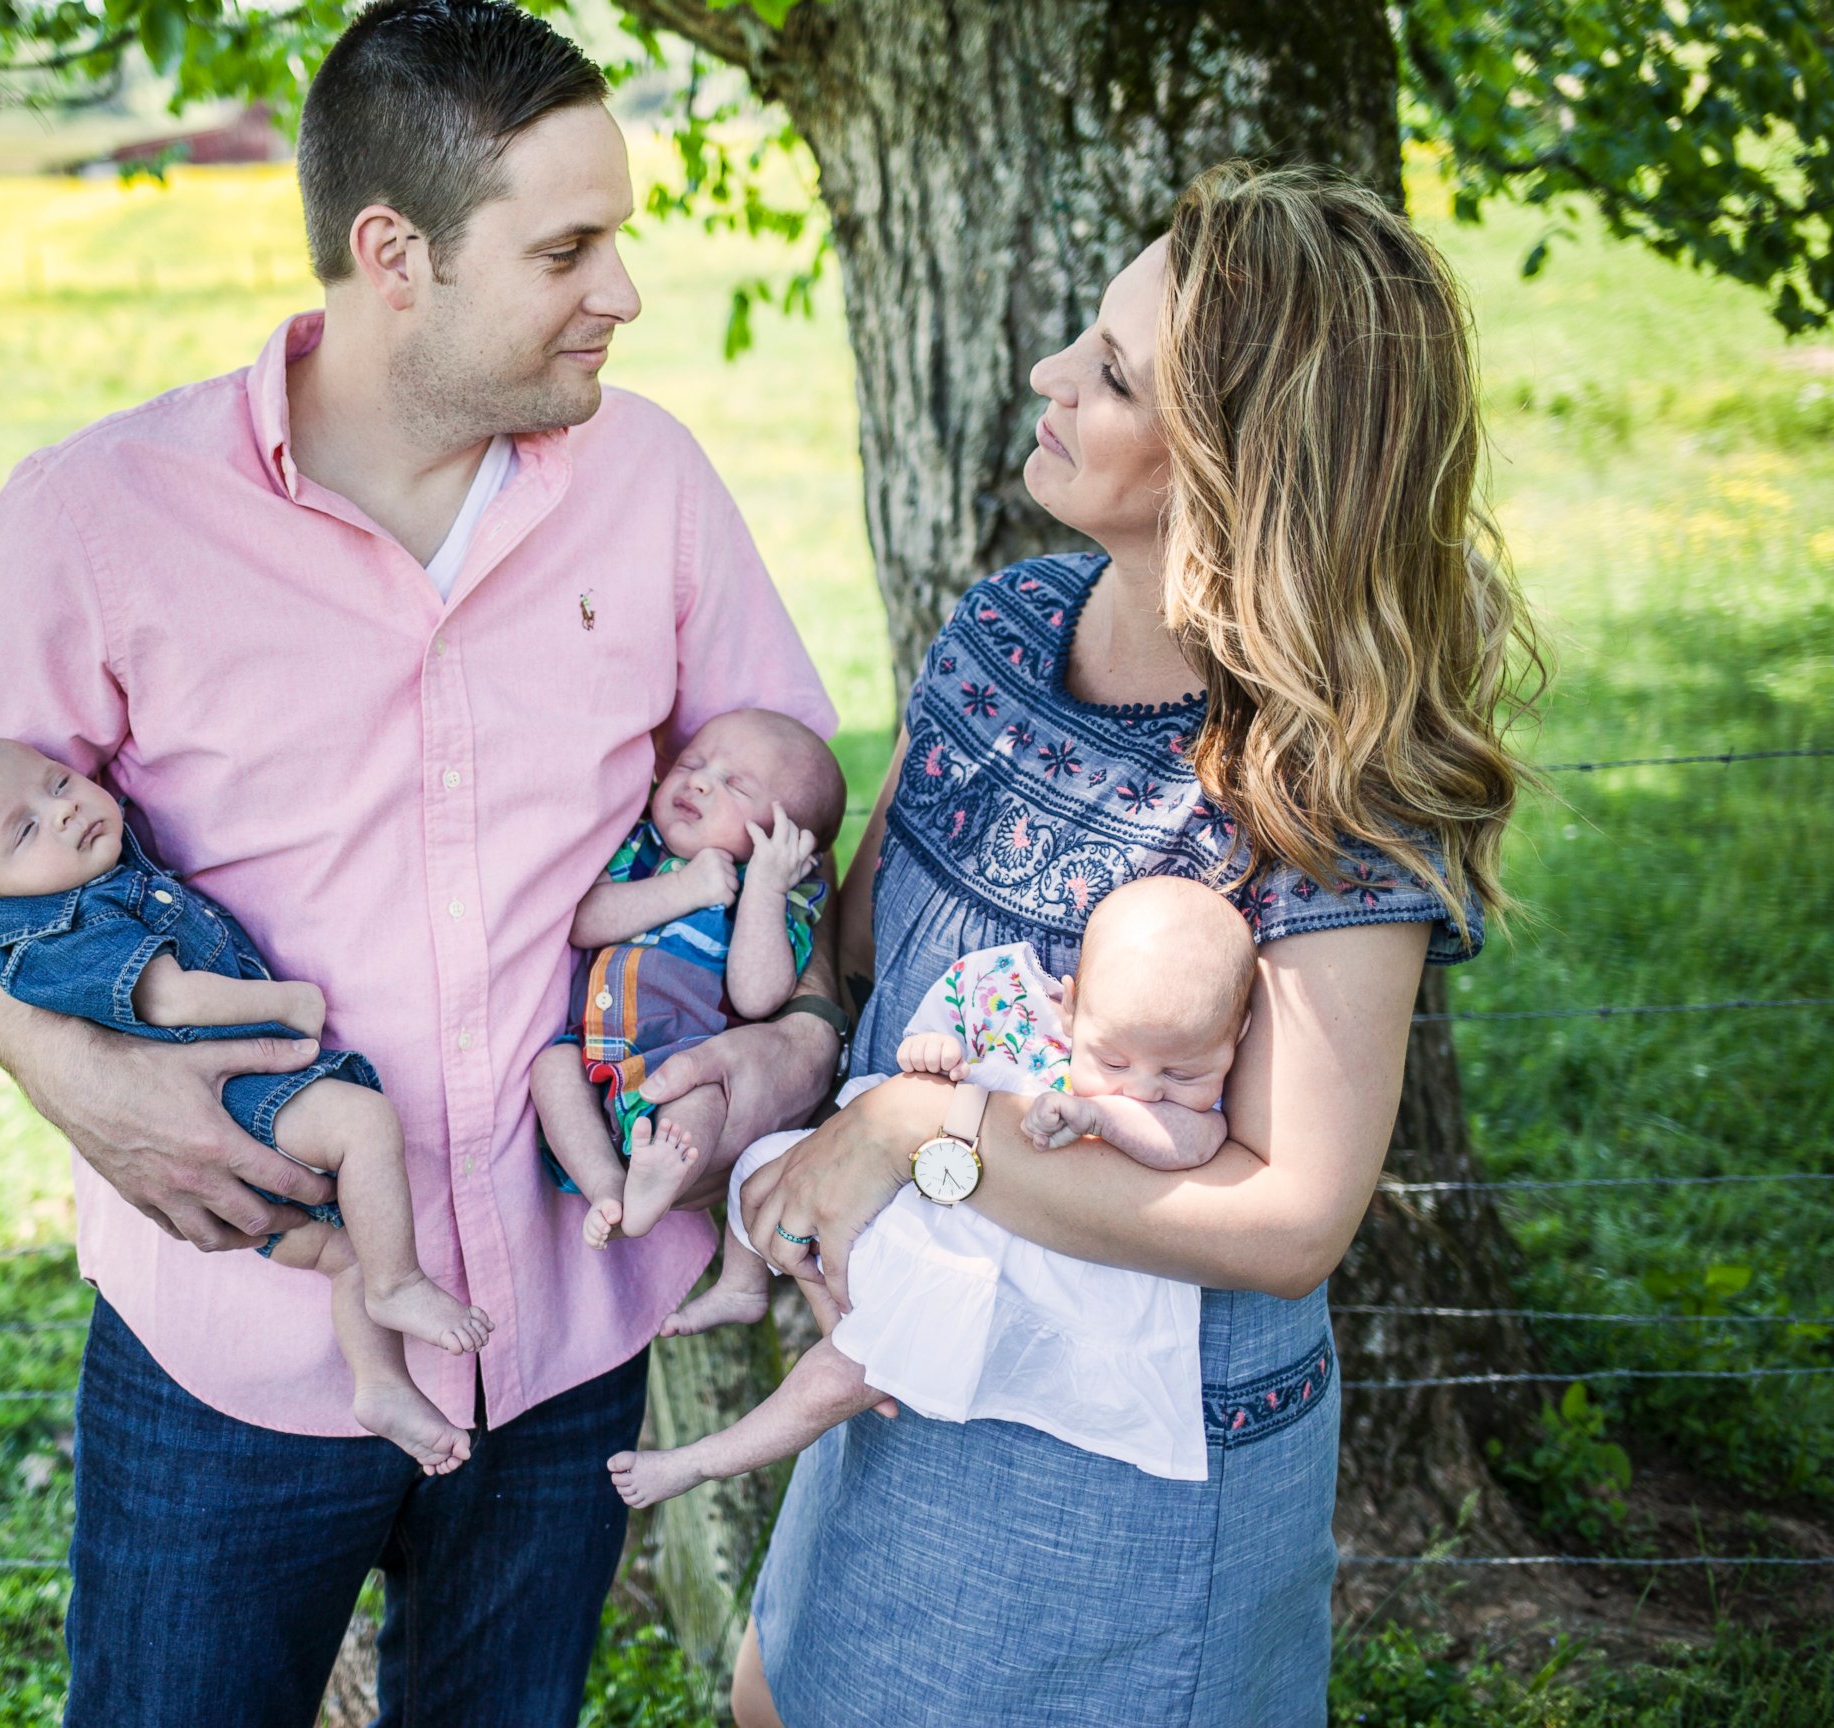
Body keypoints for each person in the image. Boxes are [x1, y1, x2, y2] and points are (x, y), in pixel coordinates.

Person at [0, 3, 842, 1721]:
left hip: (559, 1339)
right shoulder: (95, 516)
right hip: (236, 1336)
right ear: (393, 253)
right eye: (567, 248)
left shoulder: (654, 484)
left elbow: (792, 817)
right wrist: (75, 1085)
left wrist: (787, 1040)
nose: (619, 292)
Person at [731, 161, 1538, 1726]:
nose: (1050, 376)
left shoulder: (1322, 787)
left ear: (1236, 470)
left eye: (1109, 373)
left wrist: (920, 1131)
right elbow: (853, 966)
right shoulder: (997, 637)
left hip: (1126, 1471)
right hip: (903, 1387)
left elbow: (1290, 1218)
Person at [0, 737, 494, 1472]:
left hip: (235, 1106)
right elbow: (170, 993)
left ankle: (380, 1386)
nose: (61, 814)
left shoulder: (98, 873)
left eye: (59, 784)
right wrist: (285, 1000)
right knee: (362, 1123)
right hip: (221, 1098)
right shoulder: (69, 928)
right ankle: (402, 1283)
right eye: (23, 831)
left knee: (344, 1258)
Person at [607, 876, 1255, 1510]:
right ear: (1071, 1004)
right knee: (761, 1165)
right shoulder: (1009, 1003)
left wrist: (1101, 1117)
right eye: (1113, 1063)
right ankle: (742, 1285)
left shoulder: (1174, 1109)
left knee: (844, 1376)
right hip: (907, 1195)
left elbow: (1194, 1141)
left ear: (1238, 1037)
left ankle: (701, 1461)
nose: (1140, 1089)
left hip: (976, 1269)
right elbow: (929, 1048)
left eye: (1182, 1074)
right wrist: (934, 1052)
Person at [529, 707, 844, 1249]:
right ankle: (607, 1183)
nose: (698, 779)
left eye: (734, 785)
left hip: (687, 1063)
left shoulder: (770, 895)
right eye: (692, 762)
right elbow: (583, 921)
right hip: (592, 1057)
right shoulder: (639, 849)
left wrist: (765, 889)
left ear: (783, 838)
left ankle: (658, 1179)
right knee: (550, 1070)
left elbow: (758, 992)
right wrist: (686, 890)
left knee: (703, 1098)